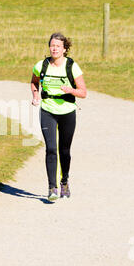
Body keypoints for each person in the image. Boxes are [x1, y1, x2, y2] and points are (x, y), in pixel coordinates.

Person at [30, 32, 87, 202]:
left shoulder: (72, 66)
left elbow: (83, 92)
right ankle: (52, 187)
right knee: (51, 149)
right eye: (52, 45)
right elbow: (34, 82)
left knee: (64, 151)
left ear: (64, 49)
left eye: (58, 46)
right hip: (47, 110)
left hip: (68, 112)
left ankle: (64, 182)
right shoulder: (41, 66)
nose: (54, 48)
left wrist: (71, 90)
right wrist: (35, 95)